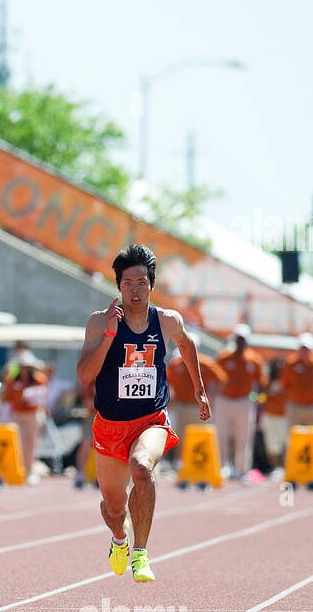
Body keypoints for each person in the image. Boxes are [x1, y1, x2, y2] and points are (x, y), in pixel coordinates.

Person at [75, 245, 210, 582]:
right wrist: (109, 334)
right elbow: (84, 375)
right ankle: (119, 539)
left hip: (151, 419)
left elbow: (187, 343)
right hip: (109, 425)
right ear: (118, 286)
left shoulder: (166, 320)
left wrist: (199, 387)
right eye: (127, 283)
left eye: (141, 282)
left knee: (141, 468)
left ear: (151, 285)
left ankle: (140, 553)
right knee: (113, 507)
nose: (134, 290)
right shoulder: (98, 322)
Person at [213, 323, 265, 481]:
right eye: (238, 339)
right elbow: (215, 378)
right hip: (224, 400)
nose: (240, 343)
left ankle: (242, 470)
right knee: (221, 435)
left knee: (243, 437)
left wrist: (256, 400)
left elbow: (260, 383)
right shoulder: (223, 357)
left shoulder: (255, 360)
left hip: (244, 401)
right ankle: (222, 467)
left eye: (243, 340)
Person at [1, 349, 49, 484]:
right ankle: (17, 471)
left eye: (26, 366)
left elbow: (43, 396)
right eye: (21, 366)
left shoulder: (39, 378)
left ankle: (29, 472)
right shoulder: (11, 379)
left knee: (32, 444)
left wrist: (32, 399)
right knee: (19, 444)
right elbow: (7, 399)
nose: (23, 369)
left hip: (33, 415)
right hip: (18, 415)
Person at [282, 332, 313, 428]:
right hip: (294, 406)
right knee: (294, 437)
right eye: (302, 349)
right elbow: (285, 383)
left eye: (307, 349)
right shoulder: (290, 364)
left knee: (312, 437)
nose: (304, 352)